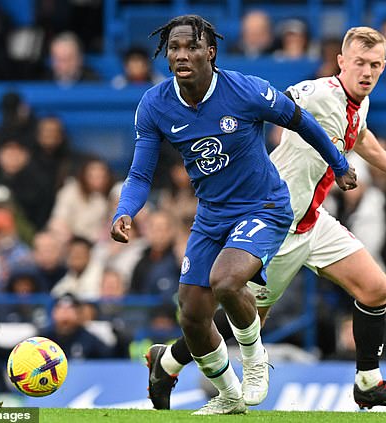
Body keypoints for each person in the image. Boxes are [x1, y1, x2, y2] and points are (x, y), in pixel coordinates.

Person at [143, 25, 386, 413]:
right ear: (341, 62)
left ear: (384, 66)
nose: (367, 72)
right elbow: (290, 99)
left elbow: (357, 134)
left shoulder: (360, 101)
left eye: (375, 65)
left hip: (314, 219)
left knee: (376, 289)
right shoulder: (322, 92)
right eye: (359, 63)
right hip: (278, 223)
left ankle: (368, 383)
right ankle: (168, 362)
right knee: (243, 317)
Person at [110, 15, 357, 415]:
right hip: (212, 215)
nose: (181, 54)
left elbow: (302, 122)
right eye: (174, 47)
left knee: (226, 281)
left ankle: (255, 361)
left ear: (211, 51)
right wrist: (125, 211)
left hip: (265, 206)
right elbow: (140, 173)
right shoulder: (155, 105)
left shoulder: (244, 90)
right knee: (191, 314)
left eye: (191, 46)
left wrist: (339, 164)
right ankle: (227, 395)